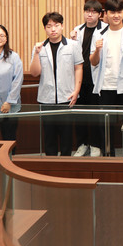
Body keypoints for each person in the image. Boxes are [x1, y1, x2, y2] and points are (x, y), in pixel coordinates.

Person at [29, 12, 83, 156]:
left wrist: (76, 91)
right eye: (49, 26)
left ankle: (65, 165)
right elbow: (34, 73)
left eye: (56, 25)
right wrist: (36, 53)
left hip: (67, 97)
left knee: (66, 137)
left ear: (62, 26)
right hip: (46, 99)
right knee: (49, 137)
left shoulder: (73, 45)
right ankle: (50, 165)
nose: (53, 29)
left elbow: (78, 68)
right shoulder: (40, 47)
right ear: (45, 28)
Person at [89, 0, 123, 157]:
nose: (116, 15)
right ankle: (109, 157)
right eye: (112, 12)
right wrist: (97, 50)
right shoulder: (98, 33)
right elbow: (93, 62)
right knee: (106, 126)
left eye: (119, 12)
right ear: (106, 14)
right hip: (106, 86)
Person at [70, 0, 106, 157]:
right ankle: (82, 144)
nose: (89, 14)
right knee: (80, 114)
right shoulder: (77, 30)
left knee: (96, 115)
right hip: (80, 79)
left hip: (96, 79)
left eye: (93, 12)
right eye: (87, 11)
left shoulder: (105, 29)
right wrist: (71, 40)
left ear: (100, 14)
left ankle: (96, 145)